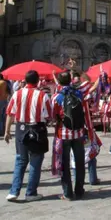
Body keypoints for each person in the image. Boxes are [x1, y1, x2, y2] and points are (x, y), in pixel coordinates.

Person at [5, 70, 51, 202]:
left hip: (21, 128)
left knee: (20, 160)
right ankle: (31, 192)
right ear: (37, 81)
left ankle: (14, 191)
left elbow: (10, 113)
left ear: (25, 80)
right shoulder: (43, 95)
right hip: (37, 129)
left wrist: (7, 131)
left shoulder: (17, 94)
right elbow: (49, 115)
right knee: (35, 162)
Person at [52, 71, 86, 200]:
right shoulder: (79, 93)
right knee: (80, 162)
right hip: (78, 132)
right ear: (71, 80)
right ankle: (80, 190)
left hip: (64, 133)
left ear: (59, 82)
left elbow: (53, 116)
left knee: (65, 163)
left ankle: (67, 192)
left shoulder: (57, 97)